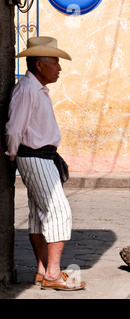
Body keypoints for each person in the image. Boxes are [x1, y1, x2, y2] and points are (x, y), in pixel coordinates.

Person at [5, 36, 86, 290]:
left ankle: (42, 271)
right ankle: (53, 274)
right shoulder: (27, 89)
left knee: (39, 217)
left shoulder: (36, 89)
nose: (59, 68)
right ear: (40, 65)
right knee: (59, 212)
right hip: (34, 157)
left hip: (42, 157)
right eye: (55, 62)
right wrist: (12, 156)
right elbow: (13, 129)